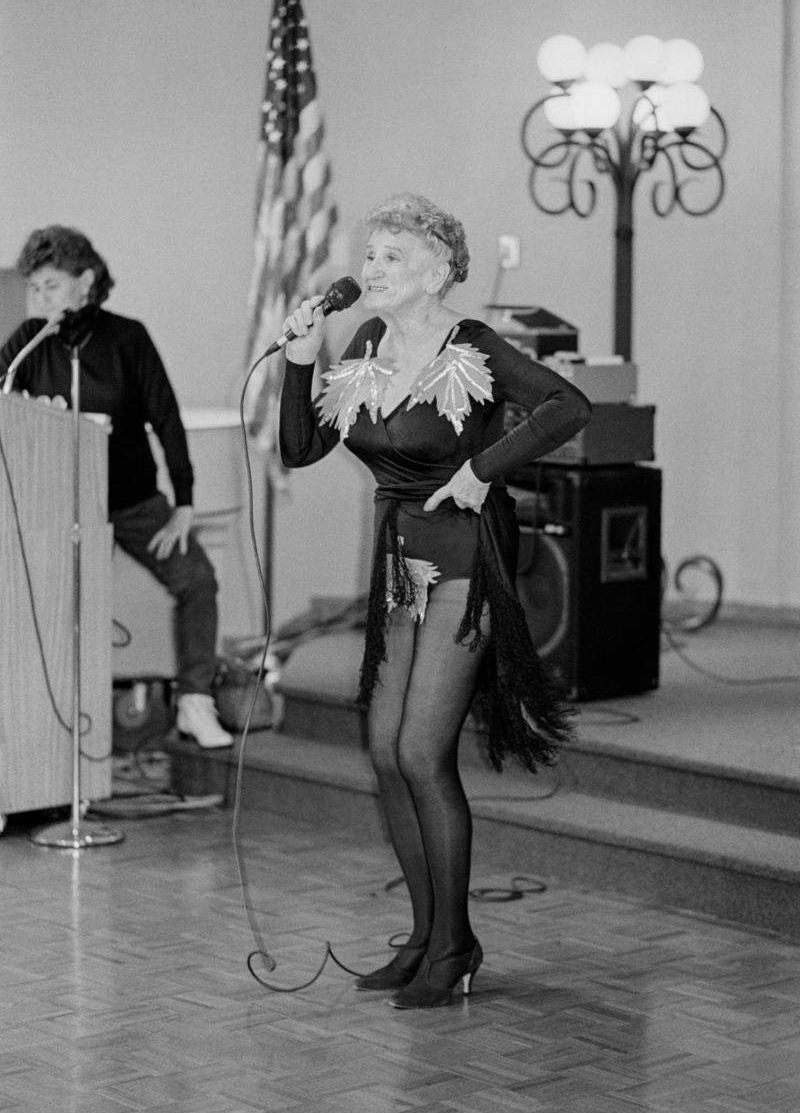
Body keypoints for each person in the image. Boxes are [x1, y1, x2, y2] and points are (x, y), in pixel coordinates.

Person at [278, 193, 592, 1009]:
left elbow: (570, 406)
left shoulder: (474, 345)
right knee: (384, 750)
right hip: (399, 558)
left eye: (390, 255)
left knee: (422, 750)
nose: (370, 268)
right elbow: (301, 447)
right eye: (370, 253)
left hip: (465, 557)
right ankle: (422, 937)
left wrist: (482, 470)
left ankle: (456, 945)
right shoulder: (371, 339)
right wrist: (302, 359)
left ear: (440, 270)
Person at [0, 225, 233, 749]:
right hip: (57, 508)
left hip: (132, 504)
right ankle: (41, 725)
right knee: (45, 606)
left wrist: (185, 503)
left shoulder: (127, 338)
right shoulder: (28, 343)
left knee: (197, 578)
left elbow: (166, 421)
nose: (39, 299)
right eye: (34, 288)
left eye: (51, 286)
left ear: (86, 280)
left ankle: (195, 701)